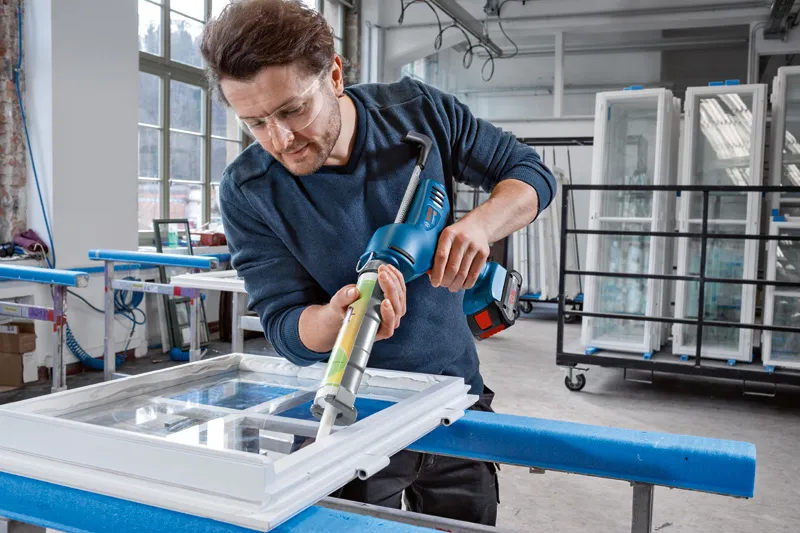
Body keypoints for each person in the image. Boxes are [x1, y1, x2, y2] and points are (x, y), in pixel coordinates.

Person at [200, 0, 556, 525]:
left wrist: (480, 225)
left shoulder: (417, 113)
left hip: (455, 395)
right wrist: (336, 320)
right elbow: (283, 325)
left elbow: (530, 173)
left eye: (293, 110)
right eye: (255, 123)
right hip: (353, 414)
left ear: (335, 75)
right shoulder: (249, 190)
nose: (280, 140)